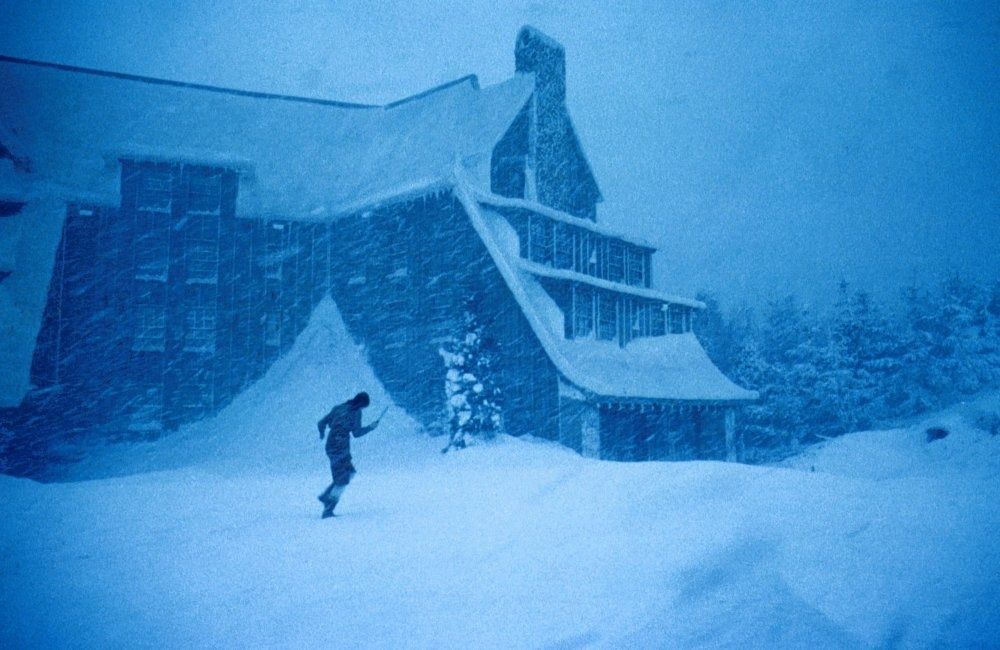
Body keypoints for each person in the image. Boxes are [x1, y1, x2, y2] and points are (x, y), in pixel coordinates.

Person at [316, 391, 380, 518]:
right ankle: (328, 509)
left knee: (349, 472)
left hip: (333, 445)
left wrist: (322, 434)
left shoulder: (339, 408)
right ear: (361, 403)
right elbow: (356, 433)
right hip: (340, 447)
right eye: (363, 406)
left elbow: (321, 423)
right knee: (343, 479)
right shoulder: (356, 412)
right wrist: (371, 427)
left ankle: (326, 496)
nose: (362, 408)